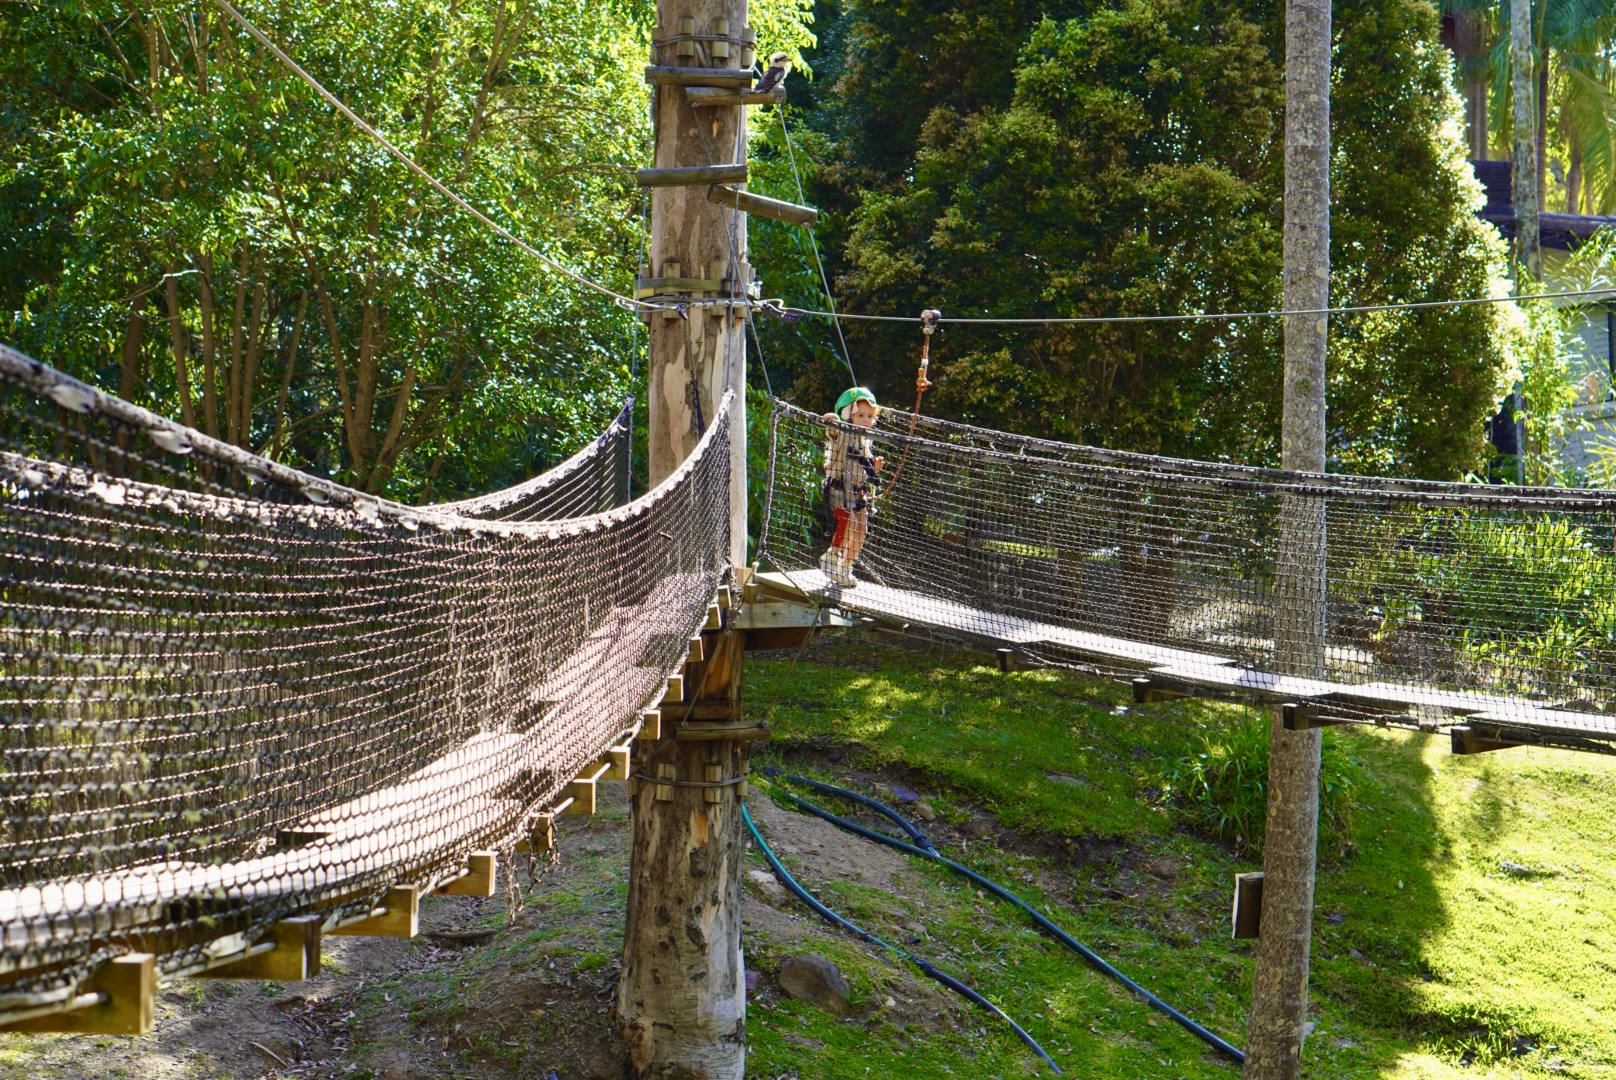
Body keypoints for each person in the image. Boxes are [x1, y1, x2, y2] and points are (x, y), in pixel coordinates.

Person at [820, 387, 884, 587]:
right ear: (848, 414)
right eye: (861, 415)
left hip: (857, 492)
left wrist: (874, 469)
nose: (866, 420)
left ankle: (846, 567)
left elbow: (863, 468)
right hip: (839, 489)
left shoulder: (865, 440)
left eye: (869, 416)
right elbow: (833, 430)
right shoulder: (844, 432)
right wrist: (832, 420)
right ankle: (831, 558)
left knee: (862, 528)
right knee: (850, 522)